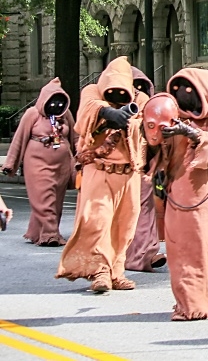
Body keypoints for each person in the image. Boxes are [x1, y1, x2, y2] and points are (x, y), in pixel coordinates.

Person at [57, 56, 144, 293]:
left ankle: (117, 271)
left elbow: (149, 125)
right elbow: (87, 110)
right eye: (111, 89)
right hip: (99, 169)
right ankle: (100, 271)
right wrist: (107, 113)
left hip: (129, 174)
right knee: (98, 221)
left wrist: (132, 123)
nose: (116, 93)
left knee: (124, 226)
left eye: (121, 89)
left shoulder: (140, 99)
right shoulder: (92, 91)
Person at [154, 67, 208, 321]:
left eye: (187, 89)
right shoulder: (170, 114)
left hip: (203, 194)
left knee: (201, 248)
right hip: (177, 192)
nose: (181, 95)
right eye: (176, 90)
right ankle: (189, 302)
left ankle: (204, 299)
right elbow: (152, 145)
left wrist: (192, 133)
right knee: (180, 249)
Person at [2, 78, 76, 246]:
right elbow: (19, 139)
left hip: (62, 166)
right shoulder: (32, 114)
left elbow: (76, 138)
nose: (56, 105)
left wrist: (82, 157)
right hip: (37, 163)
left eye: (60, 101)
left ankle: (37, 232)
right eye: (52, 100)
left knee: (55, 200)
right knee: (43, 197)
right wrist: (10, 163)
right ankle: (50, 234)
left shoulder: (66, 115)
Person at [124, 67, 167, 271]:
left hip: (142, 169)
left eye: (142, 87)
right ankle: (125, 256)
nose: (138, 90)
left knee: (145, 212)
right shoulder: (105, 107)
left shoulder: (149, 106)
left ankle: (146, 254)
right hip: (118, 170)